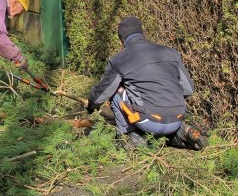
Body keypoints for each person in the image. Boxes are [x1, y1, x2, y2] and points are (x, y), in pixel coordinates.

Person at [86, 16, 207, 150]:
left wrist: (91, 105)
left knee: (115, 91)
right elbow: (189, 89)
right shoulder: (170, 53)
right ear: (142, 34)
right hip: (177, 118)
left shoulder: (120, 60)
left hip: (149, 121)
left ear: (122, 41)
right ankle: (183, 131)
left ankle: (132, 136)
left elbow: (101, 93)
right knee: (165, 117)